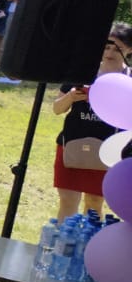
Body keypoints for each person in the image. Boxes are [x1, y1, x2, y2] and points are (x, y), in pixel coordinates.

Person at [50, 26, 132, 220]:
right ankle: (64, 238)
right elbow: (57, 109)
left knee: (94, 203)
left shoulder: (129, 80)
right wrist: (71, 96)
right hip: (72, 145)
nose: (109, 53)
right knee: (67, 200)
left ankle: (90, 239)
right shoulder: (82, 72)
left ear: (129, 49)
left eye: (117, 48)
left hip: (109, 151)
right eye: (106, 46)